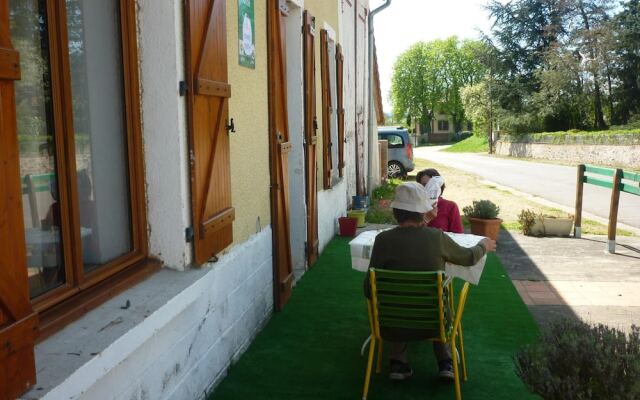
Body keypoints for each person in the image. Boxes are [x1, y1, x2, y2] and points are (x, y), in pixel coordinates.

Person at [364, 181, 496, 381]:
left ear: (395, 212)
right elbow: (468, 258)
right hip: (434, 325)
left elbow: (368, 289)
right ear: (423, 212)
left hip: (389, 323)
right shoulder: (437, 238)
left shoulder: (383, 240)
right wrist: (483, 245)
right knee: (436, 302)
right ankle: (445, 362)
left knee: (402, 299)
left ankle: (398, 363)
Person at [416, 168, 463, 233]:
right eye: (424, 185)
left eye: (432, 185)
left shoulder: (450, 206)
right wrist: (426, 219)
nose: (429, 188)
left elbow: (458, 235)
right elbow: (409, 233)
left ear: (439, 187)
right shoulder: (413, 205)